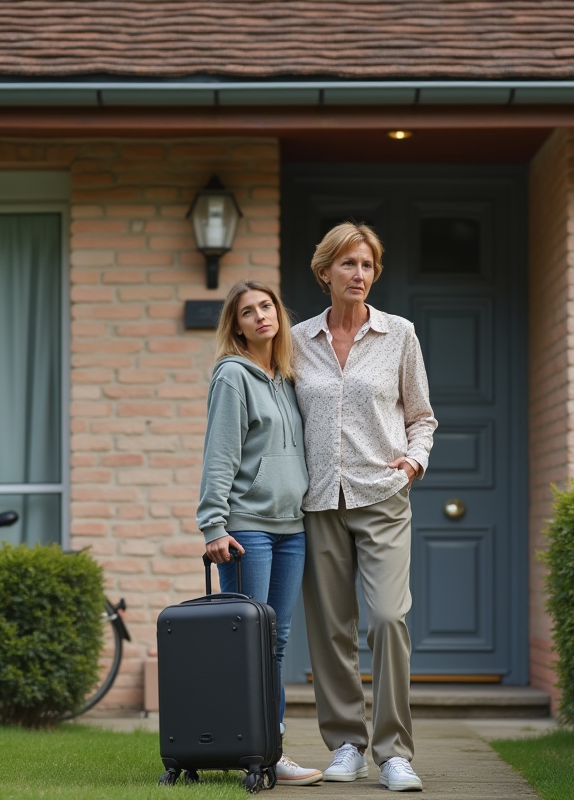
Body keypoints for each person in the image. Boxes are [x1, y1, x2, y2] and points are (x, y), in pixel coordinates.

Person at [291, 223, 437, 793]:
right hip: (319, 499)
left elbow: (421, 415)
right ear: (324, 271)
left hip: (381, 496)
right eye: (347, 264)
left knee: (387, 618)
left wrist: (412, 463)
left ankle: (394, 751)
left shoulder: (398, 334)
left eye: (367, 265)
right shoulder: (298, 340)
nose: (358, 274)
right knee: (329, 629)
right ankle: (346, 743)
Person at [196, 279, 324, 787]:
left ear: (278, 313)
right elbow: (220, 454)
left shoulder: (288, 377)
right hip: (249, 528)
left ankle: (265, 747)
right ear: (237, 325)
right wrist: (213, 525)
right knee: (249, 641)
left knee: (275, 641)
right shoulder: (233, 377)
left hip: (292, 528)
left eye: (266, 306)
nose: (260, 317)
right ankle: (257, 749)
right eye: (248, 312)